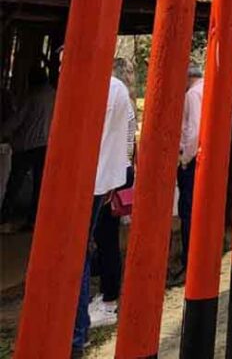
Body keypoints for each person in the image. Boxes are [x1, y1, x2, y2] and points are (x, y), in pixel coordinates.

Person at [72, 62, 134, 357]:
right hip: (106, 178)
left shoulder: (100, 89)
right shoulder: (119, 90)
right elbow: (125, 141)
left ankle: (79, 330)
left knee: (81, 251)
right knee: (94, 247)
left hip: (91, 180)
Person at [88, 57, 138, 329]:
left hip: (109, 176)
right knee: (107, 240)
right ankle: (107, 296)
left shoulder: (114, 96)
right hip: (117, 173)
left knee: (105, 241)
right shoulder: (127, 101)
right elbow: (130, 146)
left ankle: (109, 299)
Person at [0, 63, 55, 231]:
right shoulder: (55, 95)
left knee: (15, 183)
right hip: (46, 145)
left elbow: (17, 120)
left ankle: (4, 217)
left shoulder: (32, 97)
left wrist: (3, 132)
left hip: (27, 145)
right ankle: (33, 220)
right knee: (40, 185)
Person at [176, 62, 203, 279]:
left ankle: (188, 258)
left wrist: (185, 158)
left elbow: (193, 130)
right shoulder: (206, 89)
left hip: (192, 159)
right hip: (204, 158)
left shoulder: (193, 94)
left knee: (187, 209)